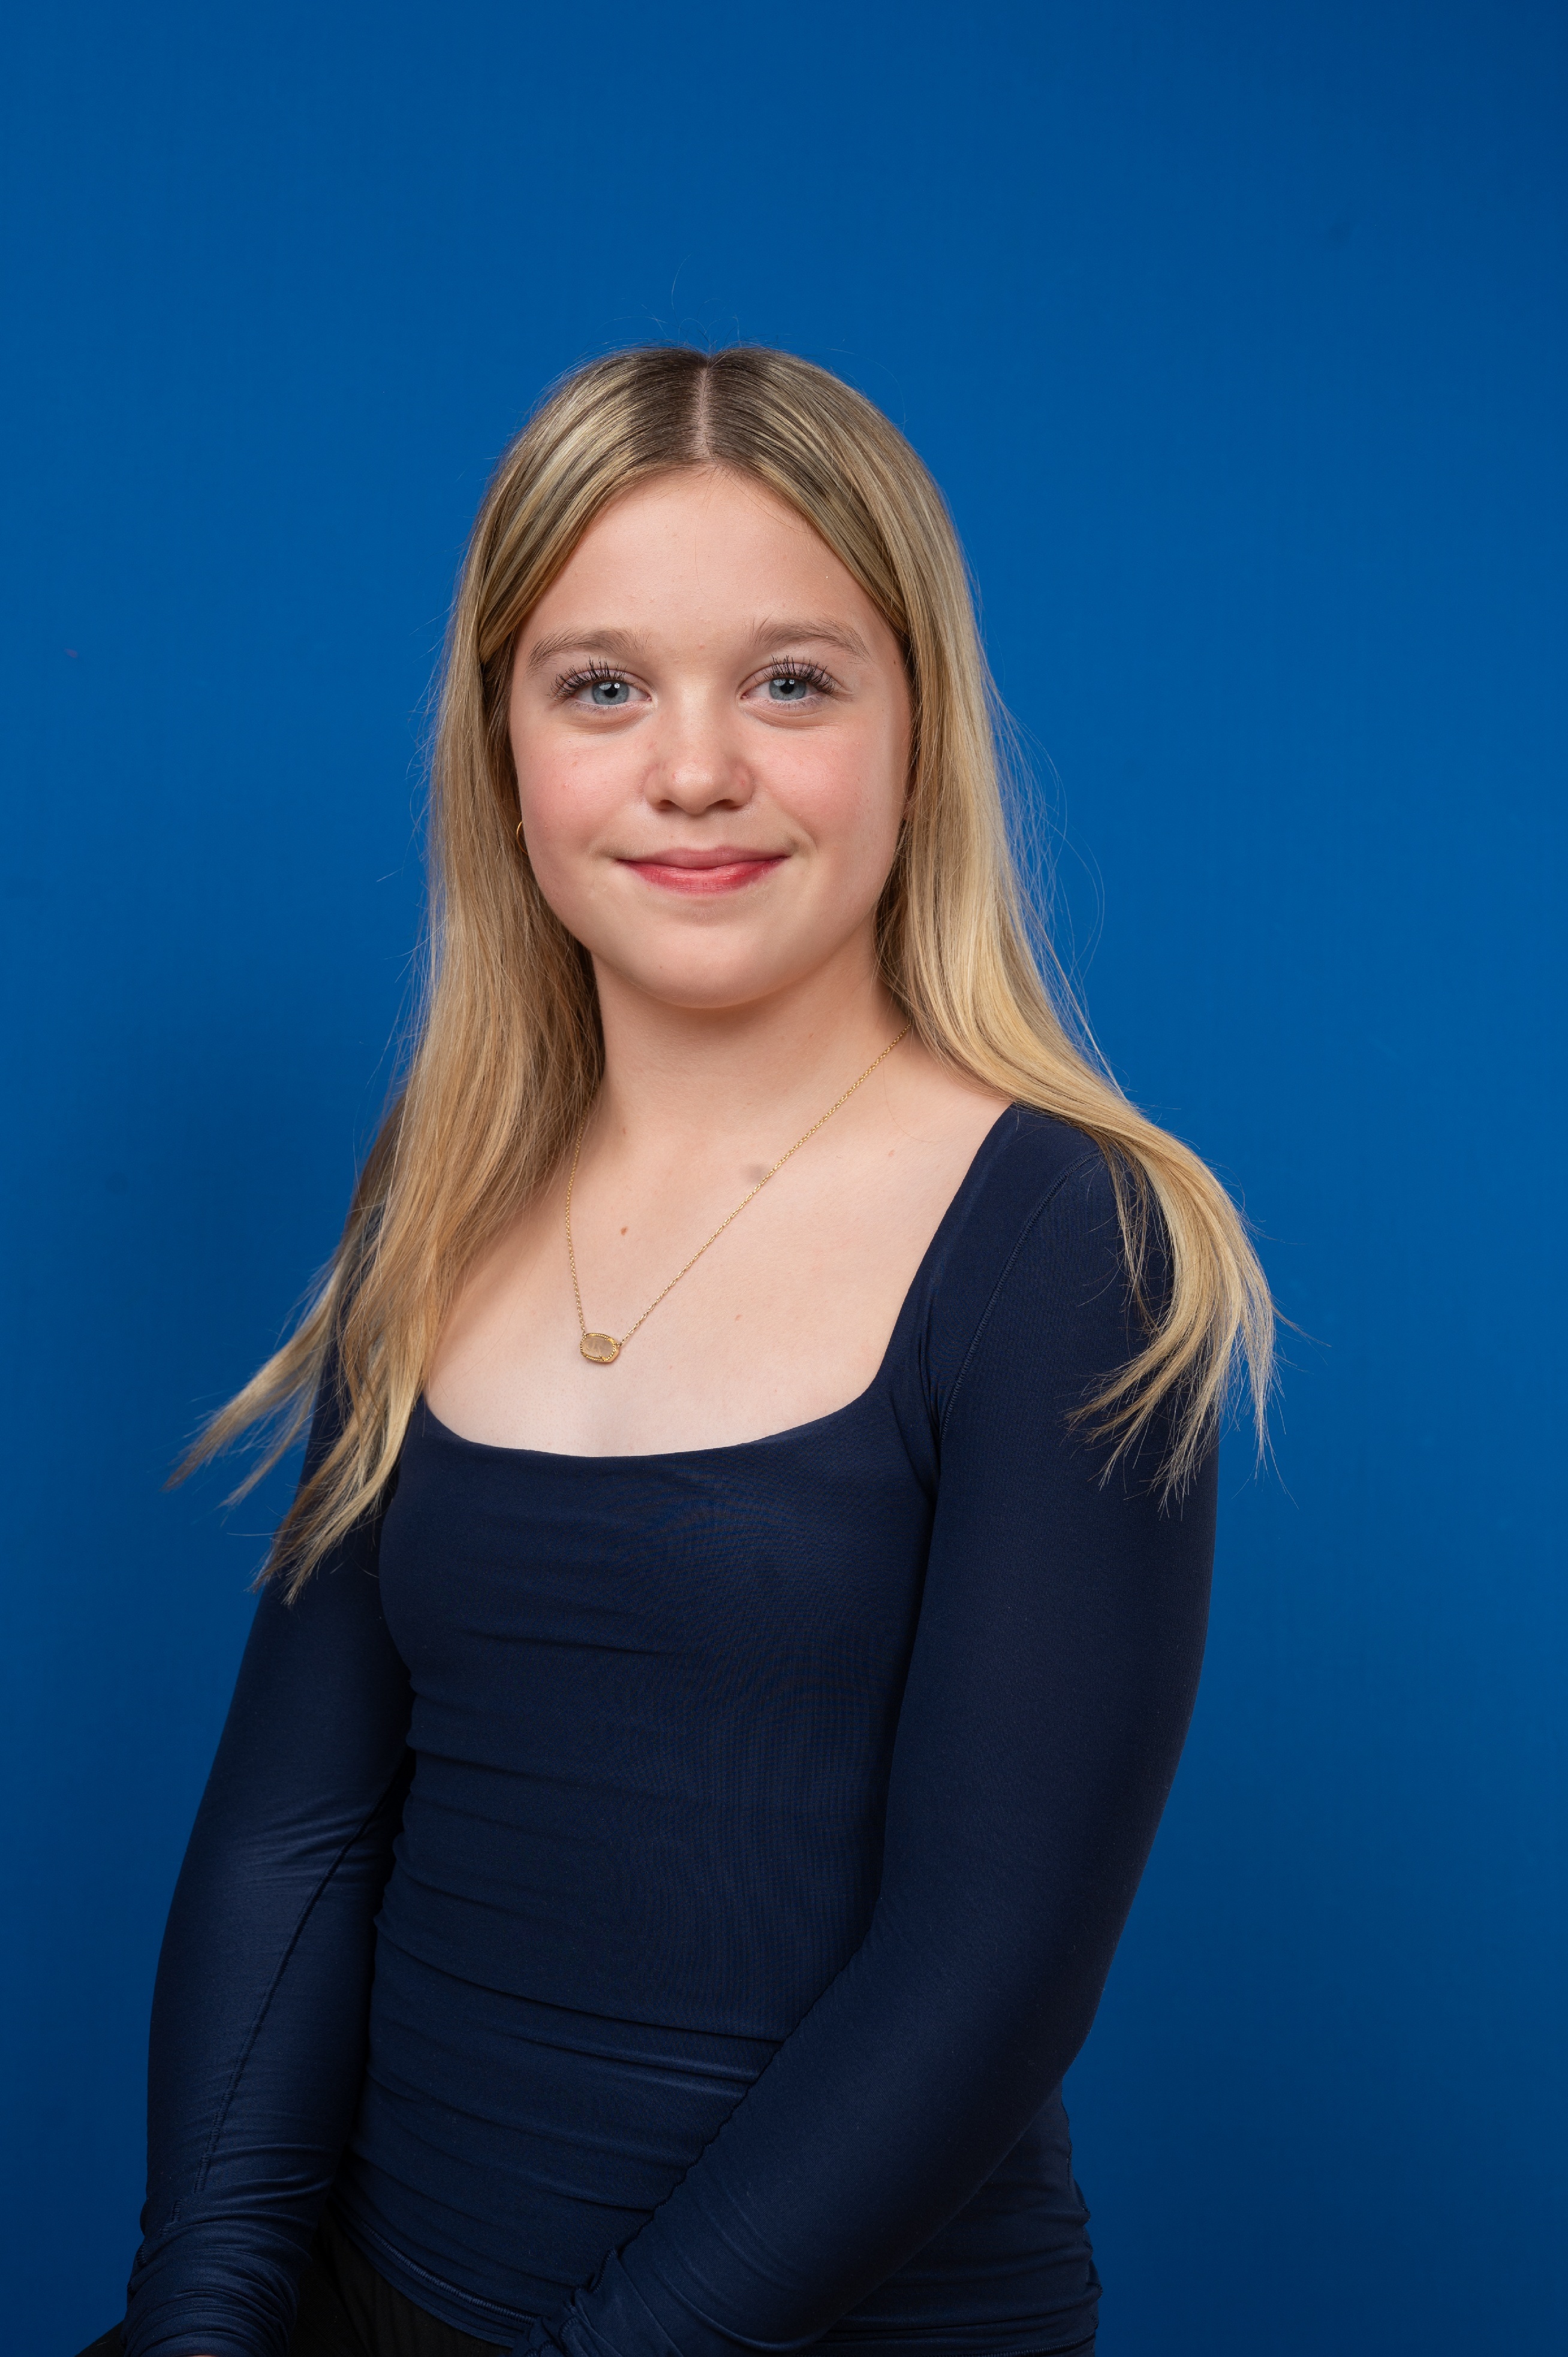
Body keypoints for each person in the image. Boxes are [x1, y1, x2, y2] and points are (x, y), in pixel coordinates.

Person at [94, 345, 1272, 2357]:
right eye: (603, 685)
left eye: (792, 681)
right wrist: (201, 2313)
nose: (696, 768)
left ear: (920, 733)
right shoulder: (441, 1187)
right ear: (503, 749)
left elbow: (985, 1966)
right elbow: (296, 1831)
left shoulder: (1074, 1237)